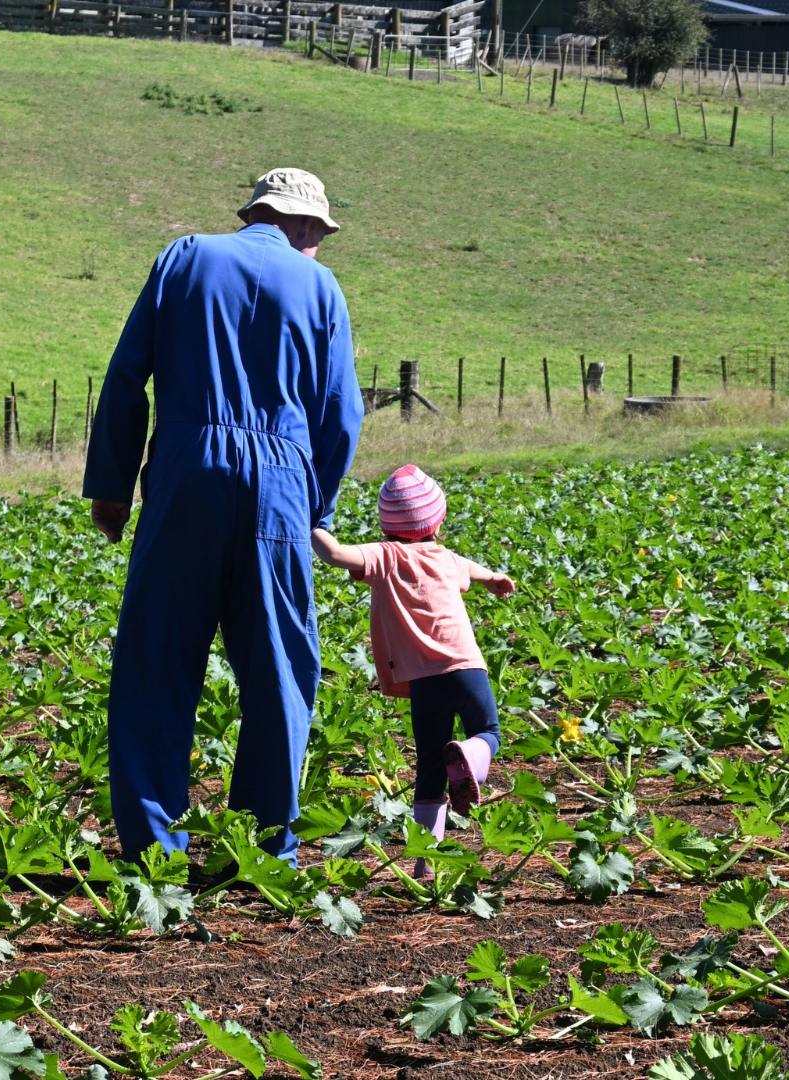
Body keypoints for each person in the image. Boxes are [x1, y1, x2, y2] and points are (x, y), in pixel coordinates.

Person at [83, 168, 364, 867]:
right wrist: (314, 506)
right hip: (280, 485)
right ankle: (264, 851)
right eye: (320, 236)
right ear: (302, 225)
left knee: (157, 664)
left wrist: (112, 489)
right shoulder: (320, 288)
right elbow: (341, 416)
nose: (319, 247)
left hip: (185, 472)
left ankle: (155, 852)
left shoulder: (185, 256)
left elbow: (126, 377)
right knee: (278, 669)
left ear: (257, 214)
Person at [310, 465, 515, 875]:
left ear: (387, 525)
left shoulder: (383, 556)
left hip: (422, 680)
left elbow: (333, 554)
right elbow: (468, 567)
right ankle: (469, 754)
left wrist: (310, 519)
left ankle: (424, 862)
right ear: (437, 524)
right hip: (463, 667)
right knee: (488, 732)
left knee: (429, 768)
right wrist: (493, 578)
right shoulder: (445, 557)